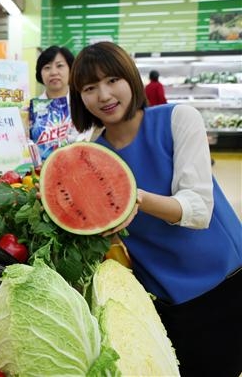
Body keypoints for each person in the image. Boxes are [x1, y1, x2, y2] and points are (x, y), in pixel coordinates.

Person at [68, 41, 242, 377]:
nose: (103, 95)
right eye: (90, 88)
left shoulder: (178, 119)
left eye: (112, 80)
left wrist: (136, 199)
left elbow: (198, 208)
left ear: (131, 78)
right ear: (80, 97)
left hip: (221, 284)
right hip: (162, 298)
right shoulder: (91, 154)